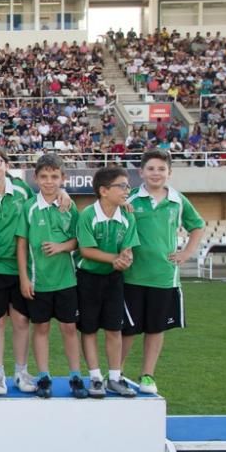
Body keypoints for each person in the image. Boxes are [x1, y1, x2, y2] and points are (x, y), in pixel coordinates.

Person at [123, 149, 205, 394]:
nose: (155, 173)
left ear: (169, 173)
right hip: (132, 275)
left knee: (155, 328)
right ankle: (117, 373)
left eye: (161, 169)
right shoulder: (130, 199)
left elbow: (197, 226)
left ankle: (147, 375)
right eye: (150, 168)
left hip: (163, 277)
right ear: (141, 173)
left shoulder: (178, 200)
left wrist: (186, 253)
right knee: (127, 329)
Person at [0, 143, 45, 396]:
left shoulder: (23, 190)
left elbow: (41, 206)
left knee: (22, 320)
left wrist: (64, 196)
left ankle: (21, 371)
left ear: (6, 164)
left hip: (21, 267)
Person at [16, 155, 89, 399]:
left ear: (63, 178)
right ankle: (44, 376)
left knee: (69, 328)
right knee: (42, 327)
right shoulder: (29, 208)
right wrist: (24, 278)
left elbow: (80, 240)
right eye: (44, 176)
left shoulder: (69, 206)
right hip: (39, 281)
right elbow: (21, 244)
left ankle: (76, 376)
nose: (49, 181)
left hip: (67, 280)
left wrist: (62, 247)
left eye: (54, 176)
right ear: (36, 178)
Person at [76, 166, 139, 399]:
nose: (126, 190)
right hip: (88, 278)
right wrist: (116, 259)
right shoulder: (88, 215)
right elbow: (86, 250)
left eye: (128, 186)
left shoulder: (127, 215)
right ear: (104, 190)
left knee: (115, 328)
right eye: (121, 186)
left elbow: (128, 248)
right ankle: (94, 376)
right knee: (89, 328)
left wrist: (126, 259)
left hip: (114, 279)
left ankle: (114, 377)